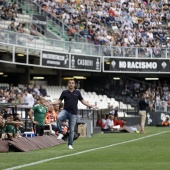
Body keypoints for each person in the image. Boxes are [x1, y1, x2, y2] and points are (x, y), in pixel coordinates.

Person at [52, 79, 98, 149]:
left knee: (71, 129)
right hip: (65, 111)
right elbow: (59, 101)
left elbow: (83, 101)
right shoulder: (64, 92)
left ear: (74, 85)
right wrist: (50, 103)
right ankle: (60, 132)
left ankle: (70, 144)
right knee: (58, 118)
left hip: (73, 113)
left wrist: (91, 105)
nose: (71, 84)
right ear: (68, 84)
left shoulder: (77, 92)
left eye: (72, 83)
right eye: (70, 83)